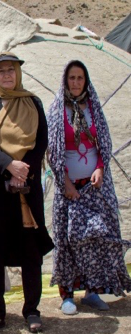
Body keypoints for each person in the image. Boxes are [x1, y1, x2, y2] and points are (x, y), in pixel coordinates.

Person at [0, 53, 54, 334]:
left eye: (11, 70)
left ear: (18, 72)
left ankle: (32, 310)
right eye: (1, 71)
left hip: (26, 187)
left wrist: (25, 169)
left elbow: (42, 140)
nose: (7, 75)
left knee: (30, 251)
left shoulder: (33, 103)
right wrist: (9, 164)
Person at [47, 60, 131, 315]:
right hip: (69, 189)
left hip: (95, 187)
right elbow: (52, 150)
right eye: (71, 78)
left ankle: (92, 292)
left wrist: (101, 168)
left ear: (86, 80)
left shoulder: (93, 107)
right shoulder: (56, 110)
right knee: (68, 240)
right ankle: (67, 295)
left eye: (80, 78)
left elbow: (103, 141)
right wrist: (66, 182)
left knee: (95, 238)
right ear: (65, 80)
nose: (75, 82)